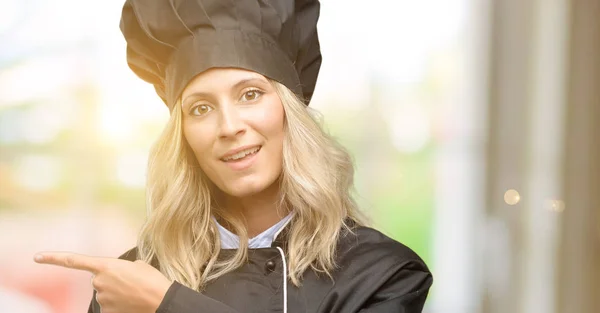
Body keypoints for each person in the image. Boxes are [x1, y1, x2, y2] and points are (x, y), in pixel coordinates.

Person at [34, 0, 433, 312]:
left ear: (287, 113)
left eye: (250, 94)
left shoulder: (381, 273)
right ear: (184, 137)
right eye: (201, 108)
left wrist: (170, 305)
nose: (229, 126)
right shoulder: (134, 278)